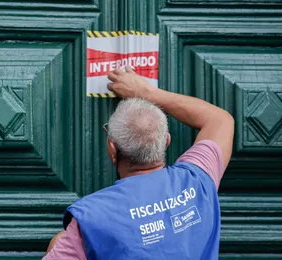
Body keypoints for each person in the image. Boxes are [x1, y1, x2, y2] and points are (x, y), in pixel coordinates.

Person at [43, 66, 234, 260]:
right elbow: (220, 120)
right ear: (166, 141)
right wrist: (147, 92)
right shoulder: (197, 179)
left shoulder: (92, 218)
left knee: (60, 241)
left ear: (112, 149)